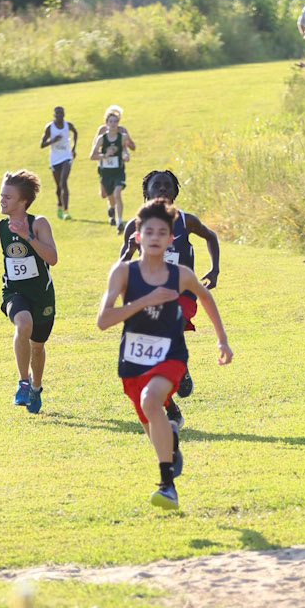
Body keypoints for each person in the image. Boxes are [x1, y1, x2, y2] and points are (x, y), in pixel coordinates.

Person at [96, 196, 233, 512]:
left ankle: (166, 486)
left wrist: (222, 340)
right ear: (137, 237)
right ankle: (170, 444)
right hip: (133, 361)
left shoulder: (180, 274)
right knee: (152, 426)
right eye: (149, 231)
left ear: (171, 239)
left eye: (162, 232)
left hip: (170, 356)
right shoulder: (122, 273)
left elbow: (206, 297)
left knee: (150, 400)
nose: (155, 237)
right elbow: (104, 320)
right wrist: (145, 301)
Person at [120, 167, 222, 420]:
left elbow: (211, 237)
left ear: (176, 192)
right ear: (146, 192)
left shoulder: (186, 221)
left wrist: (215, 269)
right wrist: (131, 250)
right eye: (158, 186)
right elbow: (121, 267)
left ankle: (180, 366)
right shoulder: (135, 225)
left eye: (168, 186)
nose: (163, 189)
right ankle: (170, 408)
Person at [0, 170, 57, 414]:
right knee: (23, 323)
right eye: (1, 196)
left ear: (23, 201)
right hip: (14, 292)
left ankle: (36, 386)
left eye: (8, 197)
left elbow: (53, 258)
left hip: (42, 295)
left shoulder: (39, 224)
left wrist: (27, 236)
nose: (2, 201)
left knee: (38, 346)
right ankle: (23, 383)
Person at [90, 106, 135, 228]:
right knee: (105, 195)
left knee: (117, 193)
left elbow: (127, 148)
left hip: (118, 170)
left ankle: (119, 221)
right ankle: (111, 208)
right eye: (111, 121)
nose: (113, 124)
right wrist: (104, 155)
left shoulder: (123, 134)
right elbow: (93, 153)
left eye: (115, 121)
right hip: (104, 168)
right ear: (106, 122)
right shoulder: (102, 134)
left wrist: (125, 154)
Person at [39, 105, 78, 219]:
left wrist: (73, 148)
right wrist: (52, 140)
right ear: (54, 115)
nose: (59, 116)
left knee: (63, 182)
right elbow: (42, 144)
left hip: (66, 156)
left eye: (61, 113)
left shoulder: (68, 125)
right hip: (55, 159)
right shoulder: (50, 127)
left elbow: (75, 133)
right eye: (57, 114)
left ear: (64, 114)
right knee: (58, 186)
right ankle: (59, 205)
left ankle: (66, 211)